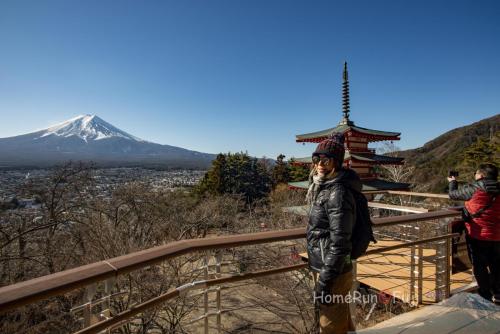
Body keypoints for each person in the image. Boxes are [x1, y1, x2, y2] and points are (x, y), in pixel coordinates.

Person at [306, 133, 359, 334]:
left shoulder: (337, 192)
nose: (320, 164)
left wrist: (325, 280)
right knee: (340, 317)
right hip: (331, 266)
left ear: (336, 162)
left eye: (326, 160)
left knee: (330, 325)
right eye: (316, 159)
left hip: (333, 270)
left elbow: (340, 242)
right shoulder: (325, 186)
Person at [448, 163, 500, 303]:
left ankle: (485, 295)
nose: (475, 176)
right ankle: (498, 293)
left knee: (479, 265)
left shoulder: (474, 188)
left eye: (476, 173)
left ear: (481, 175)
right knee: (496, 265)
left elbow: (453, 195)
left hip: (478, 235)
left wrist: (452, 182)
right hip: (497, 235)